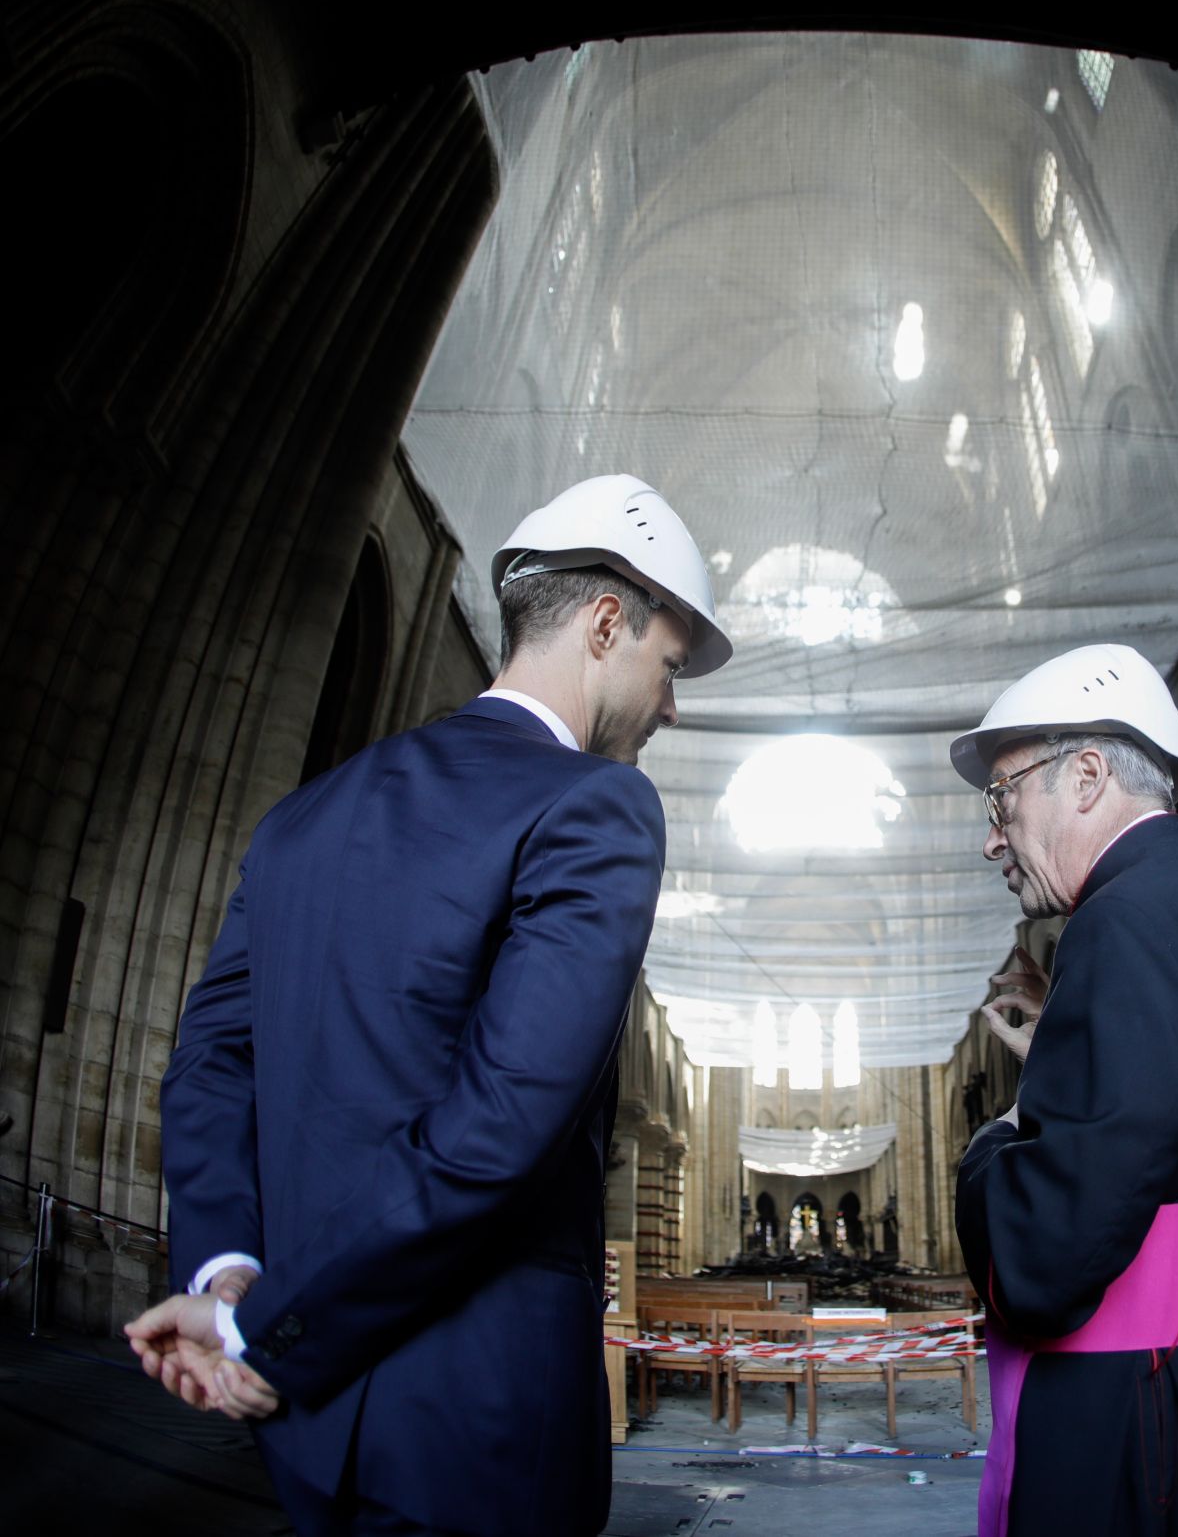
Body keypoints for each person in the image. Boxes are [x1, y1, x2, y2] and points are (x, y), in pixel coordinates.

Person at [125, 475, 732, 1537]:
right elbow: (495, 1129)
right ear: (603, 624)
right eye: (668, 667)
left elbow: (210, 1066)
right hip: (475, 1428)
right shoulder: (595, 805)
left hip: (308, 1433)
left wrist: (227, 1279)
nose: (671, 707)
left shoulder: (302, 818)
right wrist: (265, 1330)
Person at [950, 643, 1178, 1536]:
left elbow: (1050, 1248)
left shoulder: (1120, 921)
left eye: (1002, 798)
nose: (992, 835)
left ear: (1086, 776)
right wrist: (1064, 1049)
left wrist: (993, 1141)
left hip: (1145, 1404)